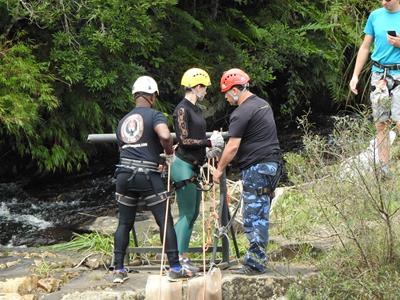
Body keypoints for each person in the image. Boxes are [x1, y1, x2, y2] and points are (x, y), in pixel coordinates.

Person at [113, 75, 191, 283]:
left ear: (134, 96)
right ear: (153, 96)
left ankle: (118, 269)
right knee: (165, 221)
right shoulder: (155, 115)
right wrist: (168, 155)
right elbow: (166, 136)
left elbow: (122, 148)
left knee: (124, 223)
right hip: (147, 176)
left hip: (123, 175)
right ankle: (174, 267)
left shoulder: (123, 121)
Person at [213, 68, 282, 275]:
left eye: (226, 92)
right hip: (272, 166)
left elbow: (233, 146)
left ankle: (255, 263)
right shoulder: (263, 104)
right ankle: (256, 258)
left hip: (258, 167)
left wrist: (219, 169)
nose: (225, 97)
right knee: (259, 211)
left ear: (236, 89)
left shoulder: (241, 112)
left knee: (254, 215)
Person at [171, 68, 224, 273]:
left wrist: (207, 151)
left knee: (192, 214)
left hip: (193, 164)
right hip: (182, 165)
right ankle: (177, 259)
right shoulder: (182, 110)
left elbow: (196, 138)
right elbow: (184, 140)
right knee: (186, 213)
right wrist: (209, 142)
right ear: (197, 86)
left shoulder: (196, 109)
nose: (206, 92)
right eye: (204, 88)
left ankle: (182, 257)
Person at [349, 0, 400, 175]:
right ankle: (385, 170)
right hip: (379, 76)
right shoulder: (375, 15)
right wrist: (355, 75)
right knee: (381, 124)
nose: (384, 2)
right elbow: (365, 47)